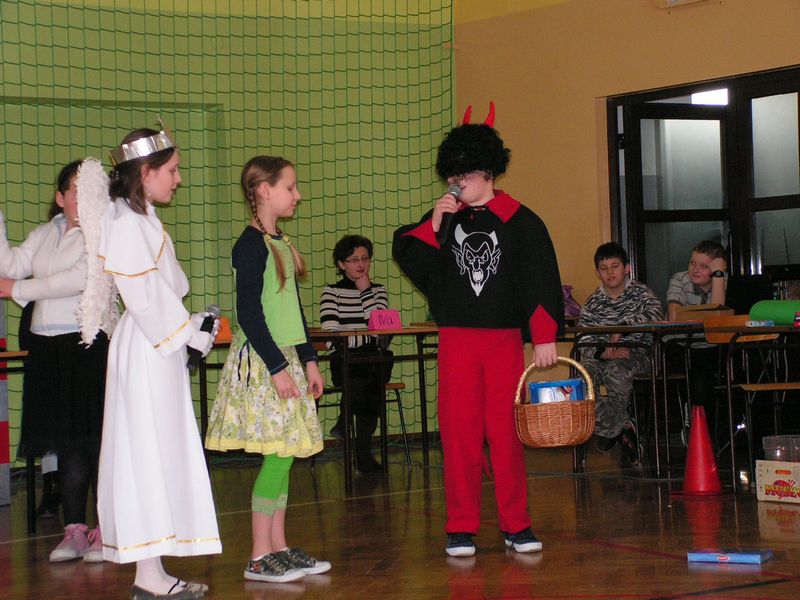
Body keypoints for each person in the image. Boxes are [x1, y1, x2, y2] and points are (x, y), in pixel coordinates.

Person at [392, 104, 564, 558]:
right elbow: (411, 255)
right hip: (457, 341)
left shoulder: (521, 220)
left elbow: (539, 278)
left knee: (505, 434)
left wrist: (543, 336)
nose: (456, 183)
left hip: (503, 339)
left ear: (487, 171)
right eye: (451, 175)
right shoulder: (445, 219)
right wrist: (434, 224)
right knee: (459, 434)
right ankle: (461, 526)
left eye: (464, 175)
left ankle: (516, 525)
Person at [97, 126, 221, 599]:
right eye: (172, 170)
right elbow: (143, 296)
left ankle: (152, 573)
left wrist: (191, 328)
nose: (179, 179)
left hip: (156, 343)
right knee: (145, 450)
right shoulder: (126, 223)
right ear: (146, 173)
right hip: (150, 345)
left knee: (157, 449)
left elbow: (162, 292)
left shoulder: (142, 217)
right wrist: (187, 336)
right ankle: (148, 576)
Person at [205, 156, 330, 584]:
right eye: (290, 187)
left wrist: (309, 360)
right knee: (278, 455)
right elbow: (249, 313)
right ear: (264, 190)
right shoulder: (250, 245)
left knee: (286, 453)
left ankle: (279, 547)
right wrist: (277, 367)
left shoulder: (279, 241)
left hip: (286, 358)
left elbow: (293, 311)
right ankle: (259, 555)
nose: (297, 195)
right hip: (264, 361)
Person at [0, 159, 113, 562]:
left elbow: (79, 279)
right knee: (67, 444)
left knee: (94, 440)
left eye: (91, 192)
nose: (84, 199)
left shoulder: (101, 234)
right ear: (60, 197)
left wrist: (19, 289)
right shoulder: (45, 233)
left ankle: (106, 531)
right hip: (48, 349)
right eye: (76, 192)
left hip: (86, 345)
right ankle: (75, 530)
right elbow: (11, 265)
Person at [577, 242, 663, 466]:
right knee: (580, 379)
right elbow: (583, 339)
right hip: (601, 357)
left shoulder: (641, 293)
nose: (610, 273)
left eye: (615, 266)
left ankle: (612, 430)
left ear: (626, 268)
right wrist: (603, 353)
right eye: (604, 268)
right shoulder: (592, 303)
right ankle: (621, 427)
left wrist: (622, 329)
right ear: (597, 273)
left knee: (616, 372)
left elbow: (656, 315)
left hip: (637, 354)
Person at [319, 234, 394, 472]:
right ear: (341, 264)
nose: (361, 264)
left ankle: (345, 418)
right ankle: (363, 454)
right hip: (345, 361)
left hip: (370, 359)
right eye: (353, 260)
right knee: (369, 379)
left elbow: (381, 331)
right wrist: (364, 338)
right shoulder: (331, 291)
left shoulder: (378, 291)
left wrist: (365, 292)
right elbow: (331, 335)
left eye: (365, 258)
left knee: (372, 370)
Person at [666, 240, 727, 409]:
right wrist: (707, 318)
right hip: (681, 344)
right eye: (692, 263)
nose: (695, 270)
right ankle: (693, 417)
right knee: (699, 375)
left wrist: (718, 276)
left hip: (713, 346)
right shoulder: (680, 279)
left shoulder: (723, 280)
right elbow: (675, 318)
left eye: (704, 266)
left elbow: (716, 321)